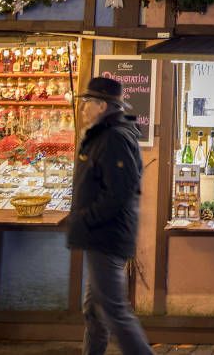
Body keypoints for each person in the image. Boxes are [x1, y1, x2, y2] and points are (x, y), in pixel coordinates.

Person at [66, 77, 153, 355]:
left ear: (101, 106)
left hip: (106, 235)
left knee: (115, 312)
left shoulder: (114, 136)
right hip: (101, 234)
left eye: (86, 104)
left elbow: (119, 192)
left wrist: (85, 218)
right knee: (94, 309)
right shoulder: (106, 133)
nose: (82, 109)